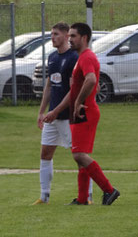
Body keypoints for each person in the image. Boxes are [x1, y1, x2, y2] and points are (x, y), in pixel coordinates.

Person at [44, 22, 120, 205]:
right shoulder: (82, 57)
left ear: (84, 38)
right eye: (69, 36)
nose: (70, 39)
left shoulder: (86, 57)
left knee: (79, 155)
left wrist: (78, 101)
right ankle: (82, 198)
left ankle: (109, 190)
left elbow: (91, 79)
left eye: (73, 36)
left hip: (85, 111)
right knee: (80, 156)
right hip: (81, 111)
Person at [33, 22, 93, 204]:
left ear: (67, 36)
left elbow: (73, 90)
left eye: (56, 34)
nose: (53, 37)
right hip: (53, 116)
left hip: (69, 117)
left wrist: (56, 110)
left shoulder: (74, 57)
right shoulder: (52, 58)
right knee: (45, 154)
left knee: (79, 156)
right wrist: (42, 111)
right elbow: (50, 85)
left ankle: (88, 196)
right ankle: (44, 196)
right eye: (51, 34)